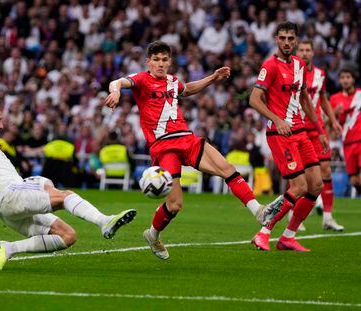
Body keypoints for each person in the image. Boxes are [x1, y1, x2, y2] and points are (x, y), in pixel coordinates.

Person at [104, 40, 277, 260]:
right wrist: (116, 92)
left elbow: (187, 89)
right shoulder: (142, 80)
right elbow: (116, 82)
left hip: (186, 138)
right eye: (156, 59)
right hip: (163, 146)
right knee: (175, 205)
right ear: (148, 62)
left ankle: (259, 211)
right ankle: (153, 234)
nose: (160, 64)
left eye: (164, 60)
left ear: (169, 62)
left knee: (227, 168)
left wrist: (212, 78)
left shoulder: (172, 81)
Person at [0, 101, 136, 271]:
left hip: (7, 210)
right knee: (62, 194)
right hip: (11, 195)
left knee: (67, 236)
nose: (1, 125)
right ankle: (104, 222)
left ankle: (9, 248)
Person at [249, 22, 328, 252]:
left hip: (301, 132)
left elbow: (305, 100)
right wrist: (276, 119)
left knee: (316, 185)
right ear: (276, 39)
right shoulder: (270, 66)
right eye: (282, 38)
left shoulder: (300, 65)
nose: (286, 42)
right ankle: (263, 233)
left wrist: (320, 131)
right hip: (280, 133)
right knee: (299, 186)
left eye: (290, 38)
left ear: (295, 40)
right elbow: (254, 99)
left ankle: (288, 237)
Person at [293, 40, 344, 231]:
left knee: (326, 171)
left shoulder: (320, 75)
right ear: (298, 52)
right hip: (297, 128)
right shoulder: (292, 73)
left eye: (308, 50)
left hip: (317, 130)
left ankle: (328, 218)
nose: (305, 53)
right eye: (302, 50)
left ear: (313, 53)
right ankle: (295, 213)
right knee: (301, 176)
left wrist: (334, 121)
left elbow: (323, 100)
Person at [330, 69, 361, 196]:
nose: (345, 80)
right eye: (342, 77)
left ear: (353, 79)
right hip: (347, 143)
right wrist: (334, 114)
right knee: (355, 181)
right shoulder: (334, 99)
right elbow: (328, 124)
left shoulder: (360, 94)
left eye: (348, 77)